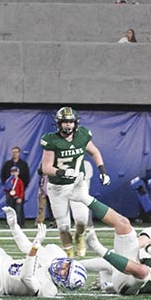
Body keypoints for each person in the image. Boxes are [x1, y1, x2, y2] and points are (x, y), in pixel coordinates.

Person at [0, 212, 87, 297]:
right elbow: (25, 246)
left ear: (64, 284)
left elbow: (26, 277)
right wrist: (14, 226)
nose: (62, 266)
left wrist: (36, 246)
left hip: (0, 283)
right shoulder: (54, 254)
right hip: (3, 260)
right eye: (67, 265)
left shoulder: (49, 290)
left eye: (65, 272)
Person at [40, 107, 111, 258]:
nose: (68, 125)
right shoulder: (51, 140)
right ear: (59, 124)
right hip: (58, 187)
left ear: (75, 123)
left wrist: (103, 171)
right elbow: (45, 168)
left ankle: (79, 236)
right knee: (64, 226)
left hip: (78, 183)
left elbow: (95, 152)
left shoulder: (82, 135)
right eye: (65, 122)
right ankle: (69, 253)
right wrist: (62, 172)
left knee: (82, 219)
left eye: (70, 122)